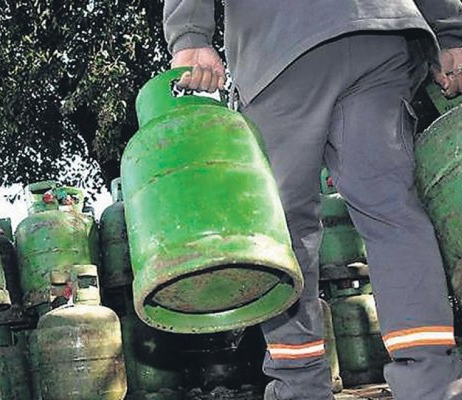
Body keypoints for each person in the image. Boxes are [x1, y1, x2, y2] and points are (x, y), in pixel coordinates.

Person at [163, 1, 462, 400]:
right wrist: (449, 32)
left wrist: (190, 36)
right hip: (380, 31)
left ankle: (300, 386)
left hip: (279, 44)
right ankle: (432, 382)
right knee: (392, 213)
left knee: (285, 234)